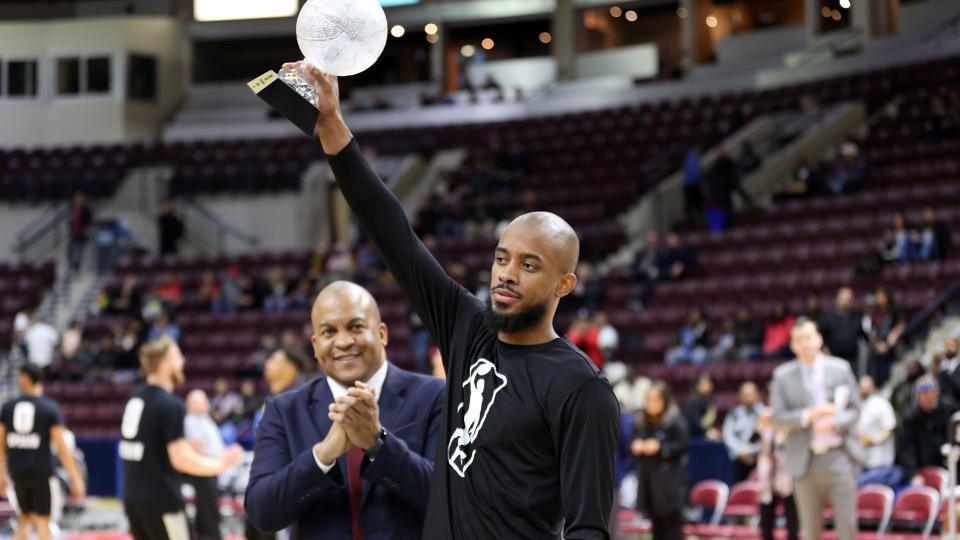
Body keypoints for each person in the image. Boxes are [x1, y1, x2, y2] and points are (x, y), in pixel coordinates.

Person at [291, 61, 620, 539]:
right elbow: (392, 232)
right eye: (502, 258)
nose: (506, 275)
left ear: (563, 285)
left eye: (529, 265)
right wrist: (332, 124)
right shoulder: (468, 327)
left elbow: (590, 529)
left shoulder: (581, 388)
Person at [245, 281, 445, 538]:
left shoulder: (436, 395)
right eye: (329, 332)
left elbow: (449, 498)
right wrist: (323, 455)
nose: (343, 341)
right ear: (315, 346)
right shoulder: (283, 410)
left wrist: (378, 444)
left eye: (356, 327)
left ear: (382, 333)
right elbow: (262, 513)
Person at [120, 336, 243, 540]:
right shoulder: (171, 404)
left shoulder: (134, 398)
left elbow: (154, 447)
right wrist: (222, 464)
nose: (183, 361)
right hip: (161, 502)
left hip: (133, 500)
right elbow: (181, 459)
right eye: (177, 356)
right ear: (163, 366)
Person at [770, 317, 860, 540]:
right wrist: (808, 415)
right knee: (810, 529)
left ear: (819, 339)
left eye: (809, 337)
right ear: (792, 345)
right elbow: (777, 418)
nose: (805, 343)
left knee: (847, 523)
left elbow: (856, 409)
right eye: (799, 340)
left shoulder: (841, 368)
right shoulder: (782, 376)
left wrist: (837, 420)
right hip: (804, 459)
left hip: (838, 455)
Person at [0, 364, 86, 540]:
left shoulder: (8, 408)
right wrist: (76, 478)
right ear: (40, 380)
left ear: (22, 379)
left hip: (17, 474)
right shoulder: (49, 408)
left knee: (24, 519)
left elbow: (0, 444)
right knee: (43, 521)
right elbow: (63, 448)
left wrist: (1, 472)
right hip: (42, 475)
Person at [245, 347, 308, 540]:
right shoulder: (267, 401)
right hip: (265, 484)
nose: (267, 364)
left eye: (274, 359)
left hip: (289, 486)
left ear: (291, 368)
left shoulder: (301, 400)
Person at [631, 381, 688, 540]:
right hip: (649, 485)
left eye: (655, 399)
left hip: (669, 488)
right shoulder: (642, 422)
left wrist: (660, 447)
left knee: (672, 531)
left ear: (665, 400)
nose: (650, 403)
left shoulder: (675, 421)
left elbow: (682, 446)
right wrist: (637, 445)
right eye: (648, 399)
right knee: (656, 530)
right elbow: (635, 441)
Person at [183, 390, 227, 540]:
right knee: (206, 505)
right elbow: (197, 446)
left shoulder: (206, 419)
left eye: (203, 401)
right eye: (197, 402)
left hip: (213, 467)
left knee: (210, 503)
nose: (202, 405)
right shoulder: (190, 421)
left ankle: (209, 533)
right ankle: (209, 535)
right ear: (189, 405)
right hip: (201, 468)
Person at [898, 376, 956, 486]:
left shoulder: (950, 410)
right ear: (918, 396)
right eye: (924, 395)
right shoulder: (910, 418)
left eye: (930, 394)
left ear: (937, 392)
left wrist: (957, 450)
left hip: (950, 466)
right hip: (923, 470)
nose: (928, 398)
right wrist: (913, 474)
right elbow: (906, 450)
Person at [755, 410, 798, 540]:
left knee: (791, 511)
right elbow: (759, 439)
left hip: (786, 469)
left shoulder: (790, 414)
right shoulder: (765, 415)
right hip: (767, 471)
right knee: (766, 511)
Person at [723, 381, 765, 483]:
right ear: (740, 396)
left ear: (757, 395)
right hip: (740, 459)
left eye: (750, 394)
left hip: (759, 459)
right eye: (745, 395)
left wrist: (752, 451)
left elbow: (767, 437)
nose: (748, 397)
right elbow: (728, 435)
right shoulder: (734, 414)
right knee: (740, 491)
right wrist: (740, 451)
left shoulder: (765, 414)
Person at [854, 375, 896, 471]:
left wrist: (875, 441)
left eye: (867, 387)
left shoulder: (881, 404)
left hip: (880, 460)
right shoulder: (858, 404)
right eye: (862, 387)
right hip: (862, 460)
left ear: (873, 388)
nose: (864, 390)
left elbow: (890, 428)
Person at [818, 287, 864, 372]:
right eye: (844, 299)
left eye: (849, 300)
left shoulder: (857, 317)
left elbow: (865, 336)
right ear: (837, 299)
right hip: (833, 360)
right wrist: (825, 352)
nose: (846, 302)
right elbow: (819, 337)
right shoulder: (827, 317)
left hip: (852, 361)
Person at [683, 374, 721, 441]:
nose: (707, 386)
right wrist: (706, 431)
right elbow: (694, 423)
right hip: (696, 438)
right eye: (704, 384)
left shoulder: (708, 401)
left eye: (709, 383)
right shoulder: (695, 402)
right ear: (697, 386)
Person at [67, 191, 92, 272]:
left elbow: (89, 221)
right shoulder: (73, 209)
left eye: (80, 198)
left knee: (80, 250)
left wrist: (86, 229)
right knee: (70, 248)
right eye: (77, 198)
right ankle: (71, 265)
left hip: (82, 234)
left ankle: (78, 266)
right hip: (74, 233)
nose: (78, 200)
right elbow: (71, 220)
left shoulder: (86, 210)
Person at [936, 337, 960, 409]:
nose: (949, 348)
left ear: (957, 347)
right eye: (947, 346)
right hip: (950, 407)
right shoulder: (941, 369)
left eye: (951, 345)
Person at [683, 144, 703, 220]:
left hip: (691, 184)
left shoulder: (691, 156)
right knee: (693, 202)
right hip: (691, 184)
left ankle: (693, 217)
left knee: (693, 202)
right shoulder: (692, 157)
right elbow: (694, 172)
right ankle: (691, 217)